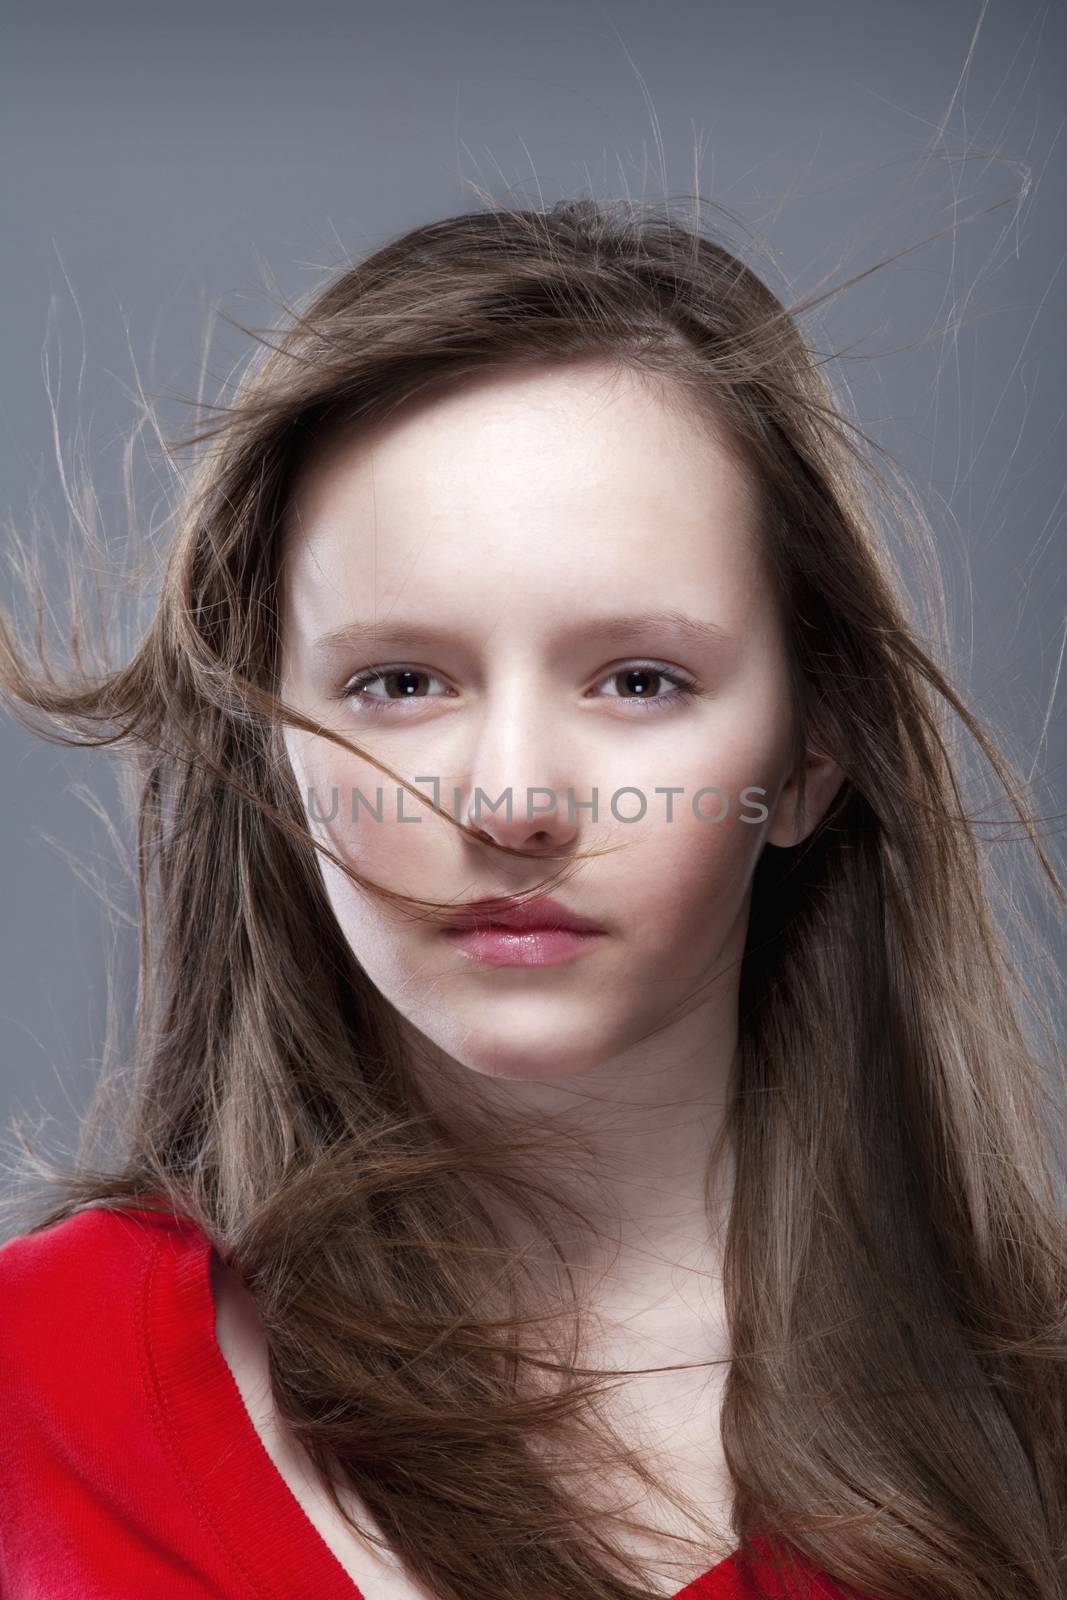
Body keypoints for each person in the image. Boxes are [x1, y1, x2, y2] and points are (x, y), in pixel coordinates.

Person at [0, 195, 1063, 1600]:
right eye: (401, 682)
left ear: (813, 756)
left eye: (638, 681)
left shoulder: (1032, 1439)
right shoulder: (34, 1387)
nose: (511, 800)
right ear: (271, 745)